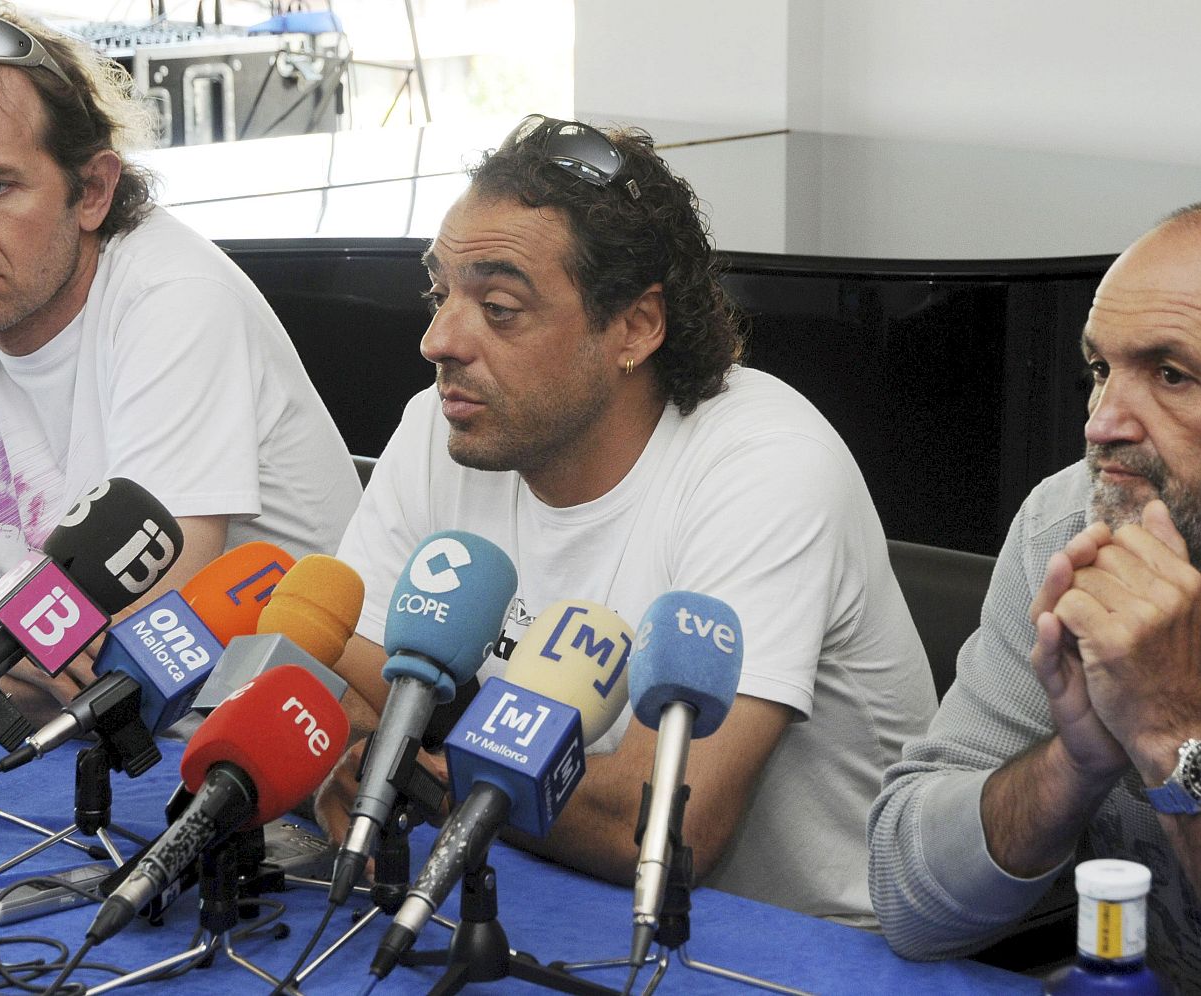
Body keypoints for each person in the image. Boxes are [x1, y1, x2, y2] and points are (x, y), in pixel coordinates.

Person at [315, 115, 937, 925]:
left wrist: (429, 774)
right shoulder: (446, 425)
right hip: (538, 886)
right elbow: (359, 691)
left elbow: (661, 822)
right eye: (440, 293)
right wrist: (379, 756)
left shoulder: (766, 466)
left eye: (498, 307)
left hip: (796, 948)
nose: (439, 341)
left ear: (636, 328)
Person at [868, 196, 1201, 994]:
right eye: (1100, 370)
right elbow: (910, 905)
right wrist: (1076, 763)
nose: (1101, 423)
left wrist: (1169, 730)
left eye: (1170, 375)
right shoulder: (1069, 523)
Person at [0, 8, 358, 721]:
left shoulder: (176, 297)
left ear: (93, 190)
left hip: (256, 736)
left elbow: (126, 673)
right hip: (88, 735)